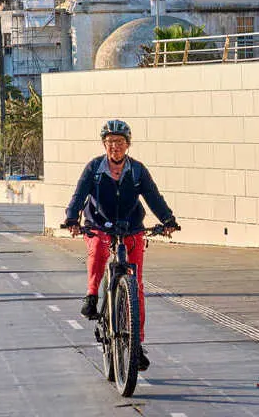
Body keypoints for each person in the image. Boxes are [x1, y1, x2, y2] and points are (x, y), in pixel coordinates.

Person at [64, 118, 179, 372]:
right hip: (98, 223)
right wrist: (72, 218)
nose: (114, 147)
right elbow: (79, 194)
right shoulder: (94, 168)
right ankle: (92, 296)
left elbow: (153, 197)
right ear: (104, 145)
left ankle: (136, 346)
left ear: (128, 145)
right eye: (110, 143)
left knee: (135, 284)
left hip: (131, 226)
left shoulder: (137, 171)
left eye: (119, 142)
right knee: (99, 250)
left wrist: (168, 220)